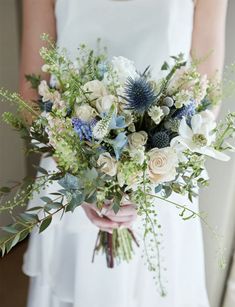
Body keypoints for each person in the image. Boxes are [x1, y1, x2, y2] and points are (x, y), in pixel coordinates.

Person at [20, 1, 228, 306]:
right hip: (72, 175)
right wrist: (86, 180)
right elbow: (30, 99)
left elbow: (207, 95)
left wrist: (145, 179)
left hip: (161, 178)